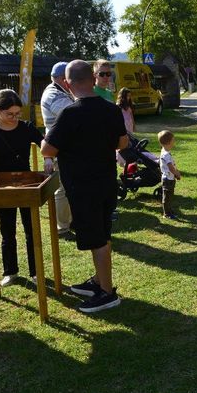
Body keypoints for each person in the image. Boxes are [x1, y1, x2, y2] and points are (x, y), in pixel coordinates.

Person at [42, 60, 129, 313]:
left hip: (83, 186)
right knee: (100, 235)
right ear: (93, 78)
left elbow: (48, 149)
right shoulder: (111, 110)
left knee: (97, 239)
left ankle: (107, 292)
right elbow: (122, 143)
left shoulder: (70, 113)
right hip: (106, 182)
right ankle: (99, 281)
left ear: (67, 83)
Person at [0, 89, 48, 287]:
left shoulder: (27, 127)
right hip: (1, 186)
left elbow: (44, 142)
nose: (14, 118)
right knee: (7, 231)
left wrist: (47, 157)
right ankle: (10, 271)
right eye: (9, 114)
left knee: (31, 230)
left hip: (27, 184)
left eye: (17, 114)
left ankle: (35, 271)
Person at [40, 61, 74, 238]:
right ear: (63, 78)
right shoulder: (54, 95)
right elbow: (74, 115)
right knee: (62, 189)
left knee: (69, 187)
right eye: (71, 78)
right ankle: (62, 228)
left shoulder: (61, 91)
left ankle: (69, 221)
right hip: (60, 149)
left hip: (64, 147)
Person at [158, 130, 180, 220]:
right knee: (167, 197)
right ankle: (167, 213)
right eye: (173, 140)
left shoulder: (164, 150)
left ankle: (169, 210)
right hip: (167, 179)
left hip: (169, 178)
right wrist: (177, 173)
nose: (174, 142)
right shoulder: (166, 154)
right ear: (168, 142)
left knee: (169, 196)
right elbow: (170, 167)